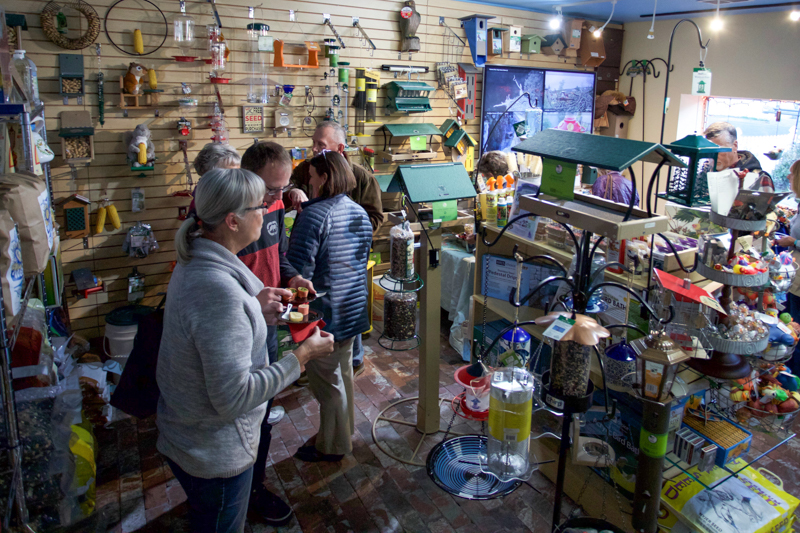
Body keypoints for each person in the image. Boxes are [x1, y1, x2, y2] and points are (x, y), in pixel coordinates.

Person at [157, 168, 334, 533]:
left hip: (191, 436)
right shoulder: (217, 290)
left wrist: (258, 309)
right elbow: (234, 395)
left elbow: (217, 331)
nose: (268, 212)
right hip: (214, 452)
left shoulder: (200, 257)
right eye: (260, 206)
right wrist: (301, 358)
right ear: (232, 221)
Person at [238, 142, 315, 526]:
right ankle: (237, 489)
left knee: (265, 409)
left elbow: (278, 255)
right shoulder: (228, 216)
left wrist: (293, 277)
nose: (277, 197)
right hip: (240, 322)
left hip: (268, 323)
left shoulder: (276, 204)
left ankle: (254, 486)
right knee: (242, 408)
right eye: (270, 189)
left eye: (283, 188)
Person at [286, 151, 372, 462]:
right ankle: (342, 430)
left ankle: (334, 446)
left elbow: (299, 272)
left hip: (325, 314)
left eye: (310, 177)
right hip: (352, 308)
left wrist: (295, 319)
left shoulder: (314, 215)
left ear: (324, 178)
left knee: (328, 384)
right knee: (343, 373)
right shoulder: (359, 212)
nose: (308, 183)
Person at [286, 121, 381, 377]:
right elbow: (287, 193)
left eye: (321, 144)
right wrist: (293, 190)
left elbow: (374, 217)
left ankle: (352, 362)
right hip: (321, 256)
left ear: (339, 148)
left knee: (347, 307)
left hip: (350, 256)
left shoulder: (361, 176)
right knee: (342, 313)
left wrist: (343, 236)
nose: (314, 149)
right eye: (314, 143)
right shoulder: (307, 168)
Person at [774, 160, 800, 374]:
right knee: (790, 324)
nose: (788, 177)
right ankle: (787, 372)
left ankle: (795, 378)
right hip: (795, 278)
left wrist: (794, 243)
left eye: (791, 174)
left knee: (796, 331)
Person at [704, 122, 774, 192]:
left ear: (735, 146)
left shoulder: (759, 179)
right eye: (709, 150)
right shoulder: (703, 175)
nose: (713, 156)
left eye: (720, 150)